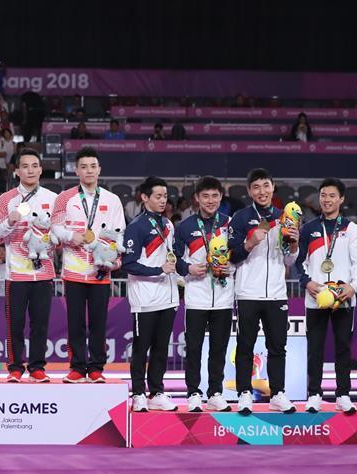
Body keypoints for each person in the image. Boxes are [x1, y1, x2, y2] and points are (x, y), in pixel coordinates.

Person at [227, 168, 299, 414]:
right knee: (245, 346)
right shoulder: (239, 218)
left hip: (277, 294)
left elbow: (290, 261)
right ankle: (244, 393)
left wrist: (294, 242)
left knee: (278, 347)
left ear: (273, 187)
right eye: (256, 187)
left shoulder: (284, 218)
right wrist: (249, 242)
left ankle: (277, 393)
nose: (262, 191)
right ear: (249, 191)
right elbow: (231, 256)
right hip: (247, 292)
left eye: (266, 186)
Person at [52, 147, 125, 383]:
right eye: (84, 166)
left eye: (93, 166)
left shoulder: (112, 200)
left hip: (100, 270)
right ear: (77, 170)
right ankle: (76, 367)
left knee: (98, 322)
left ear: (99, 169)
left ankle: (96, 368)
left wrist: (112, 259)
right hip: (73, 270)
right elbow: (55, 228)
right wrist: (70, 236)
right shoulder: (65, 198)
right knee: (75, 322)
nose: (89, 171)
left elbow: (119, 233)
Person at [0, 148, 58, 382]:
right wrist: (9, 221)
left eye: (34, 165)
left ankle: (37, 367)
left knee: (40, 324)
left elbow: (59, 231)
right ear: (17, 171)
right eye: (25, 166)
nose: (30, 170)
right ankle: (15, 368)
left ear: (40, 169)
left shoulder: (52, 198)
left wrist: (51, 238)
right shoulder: (6, 199)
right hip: (16, 273)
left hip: (43, 272)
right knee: (15, 324)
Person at [295, 178, 357, 414]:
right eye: (323, 195)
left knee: (343, 348)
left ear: (341, 199)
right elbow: (299, 262)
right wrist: (307, 283)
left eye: (332, 195)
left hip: (344, 299)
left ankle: (343, 394)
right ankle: (314, 394)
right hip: (316, 299)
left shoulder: (352, 229)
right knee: (315, 348)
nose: (327, 199)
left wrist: (353, 287)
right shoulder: (309, 228)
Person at [174, 176, 234, 412]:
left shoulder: (229, 224)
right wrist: (188, 268)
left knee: (219, 348)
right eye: (205, 196)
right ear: (197, 198)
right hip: (196, 297)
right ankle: (193, 393)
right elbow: (174, 259)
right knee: (195, 348)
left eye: (215, 196)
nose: (210, 201)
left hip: (223, 297)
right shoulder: (186, 227)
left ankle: (216, 392)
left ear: (221, 198)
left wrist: (231, 267)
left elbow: (238, 255)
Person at [121, 177, 179, 411]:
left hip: (168, 295)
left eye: (165, 196)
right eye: (158, 196)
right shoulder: (136, 226)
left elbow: (171, 258)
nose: (163, 200)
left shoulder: (168, 224)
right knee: (140, 347)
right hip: (144, 298)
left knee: (161, 347)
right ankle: (138, 394)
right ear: (144, 198)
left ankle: (157, 392)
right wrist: (158, 271)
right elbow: (128, 263)